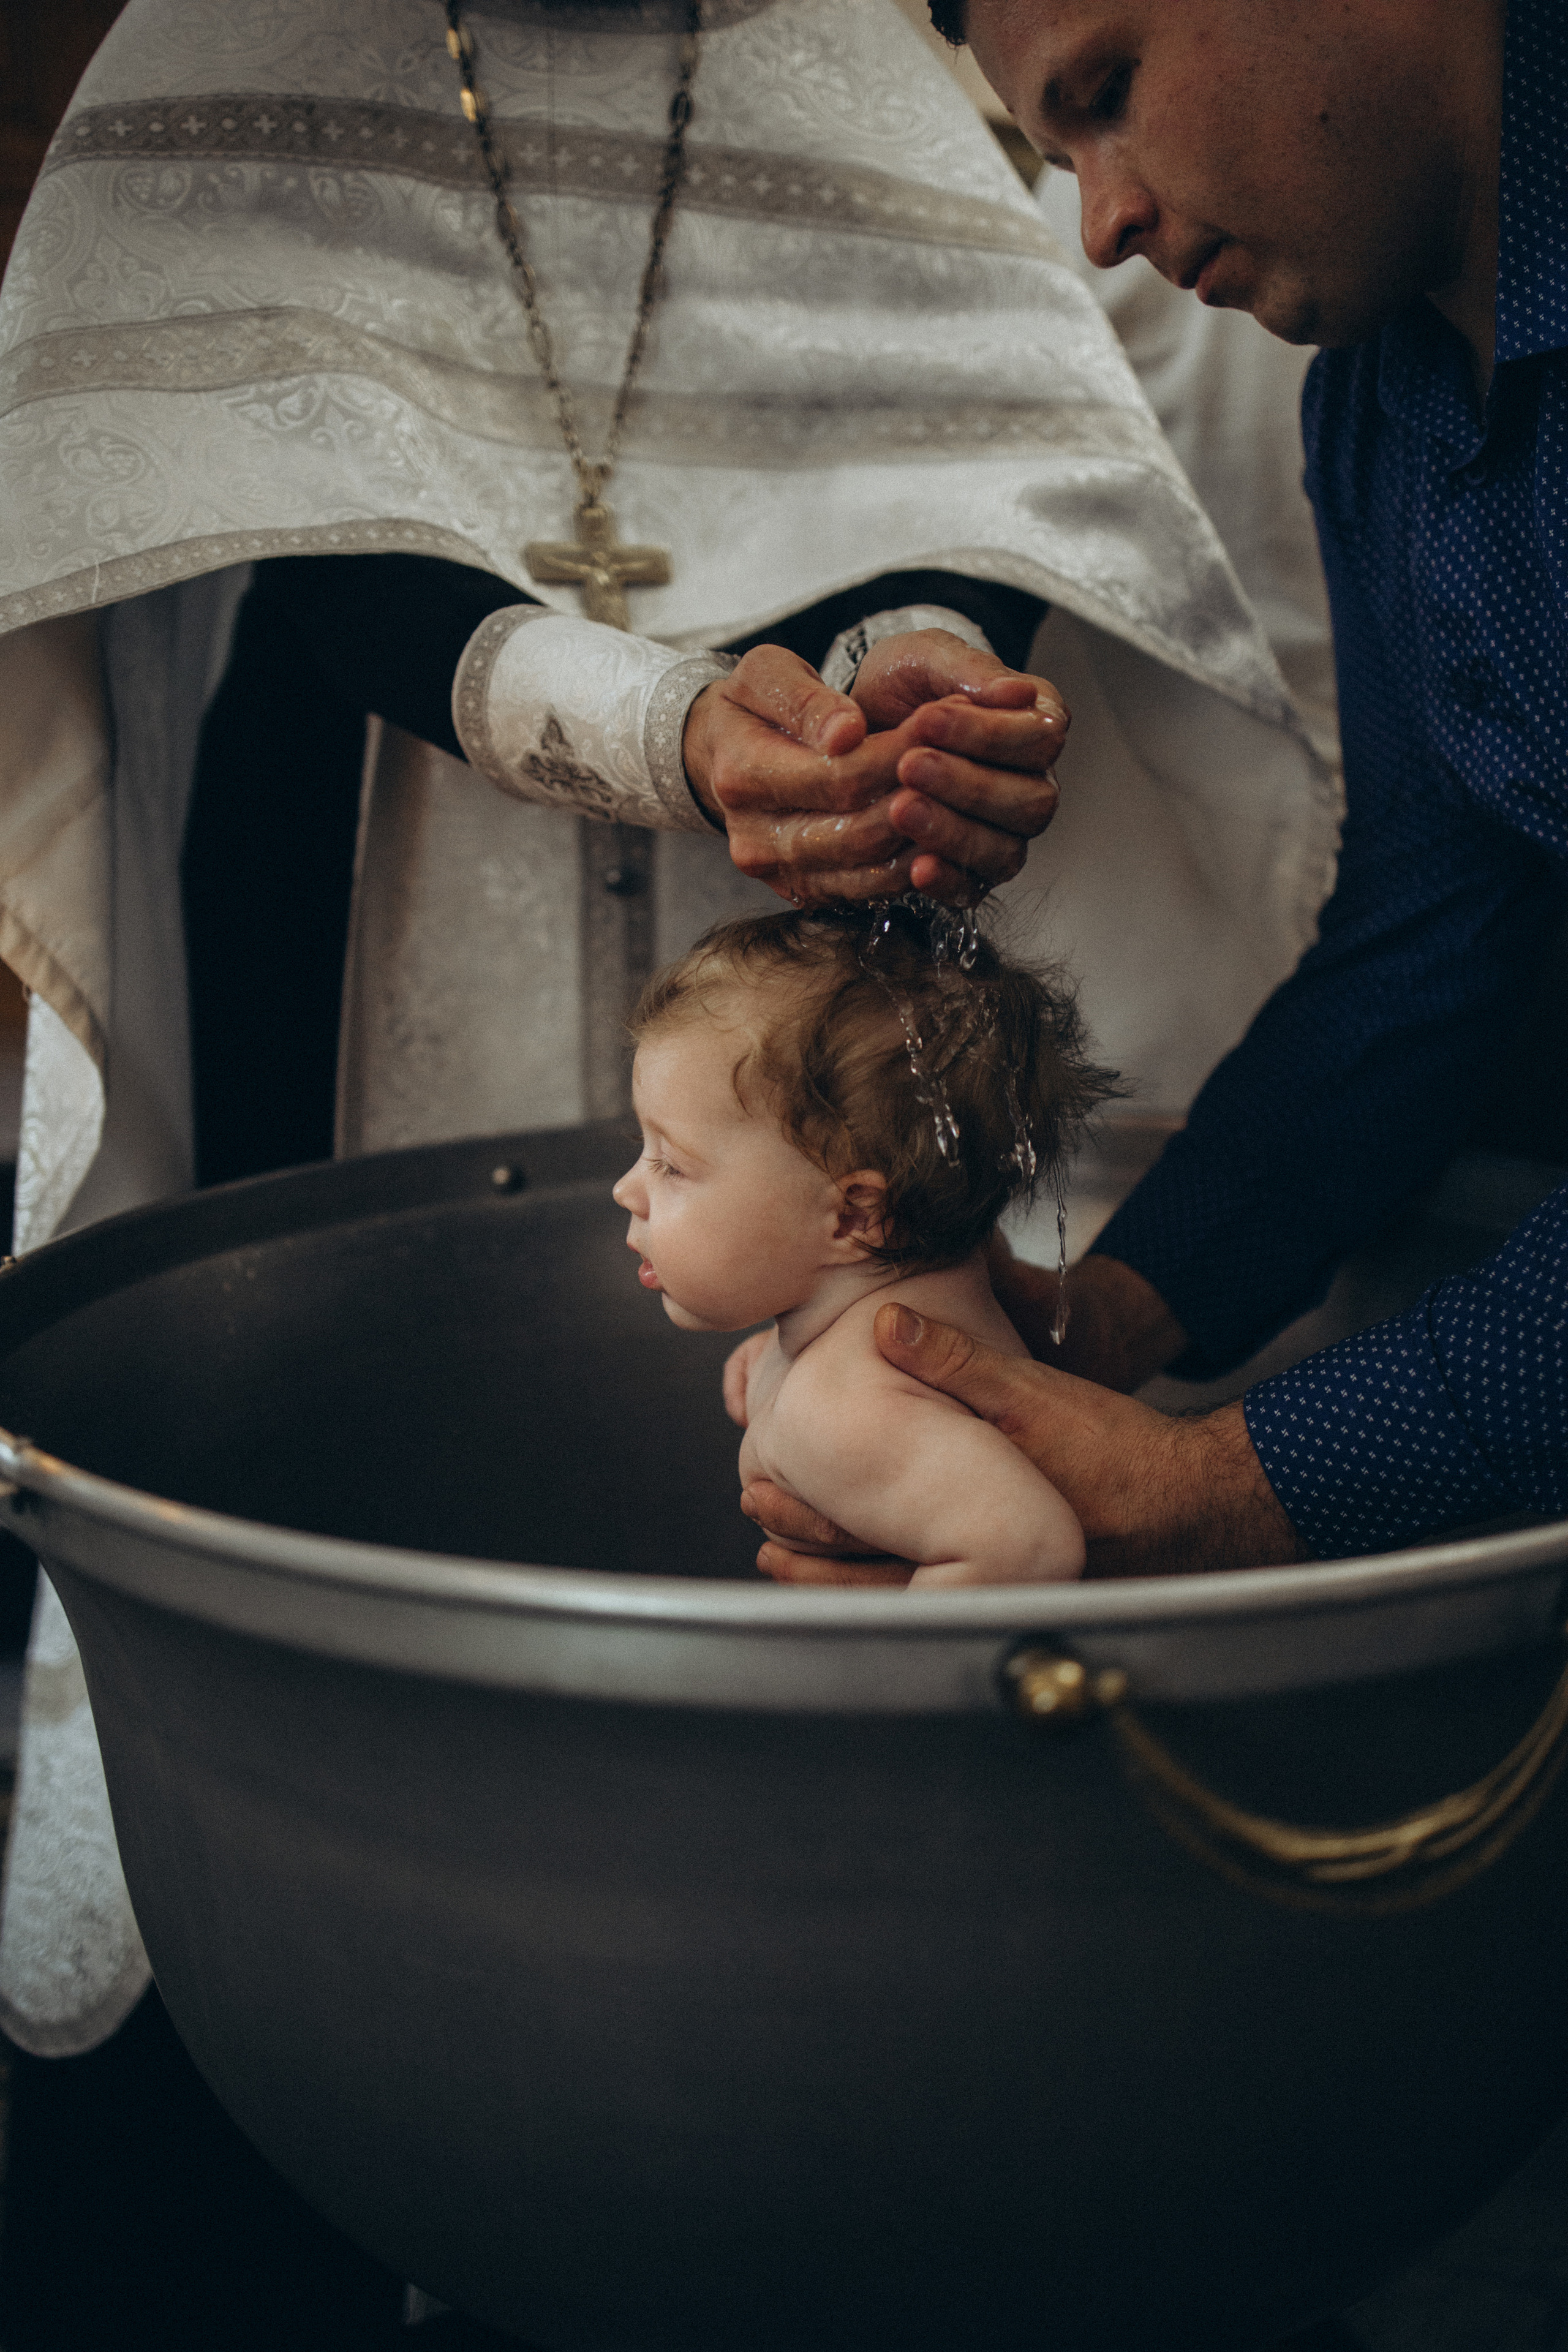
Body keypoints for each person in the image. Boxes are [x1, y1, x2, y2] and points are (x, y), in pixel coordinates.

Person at [0, 0, 1332, 2337]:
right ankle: (451, 2052)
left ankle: (781, 2049)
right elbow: (253, 487)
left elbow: (969, 461)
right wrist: (637, 716)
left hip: (800, 951)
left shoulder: (834, 41)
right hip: (388, 839)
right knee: (391, 1480)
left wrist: (924, 674)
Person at [750, 0, 1568, 1587]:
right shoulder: (1381, 399)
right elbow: (1432, 937)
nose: (1107, 222)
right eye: (1060, 154)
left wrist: (1234, 1482)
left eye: (1111, 94)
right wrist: (1097, 1325)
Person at [616, 905, 1110, 1583]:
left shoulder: (846, 1410)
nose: (626, 1189)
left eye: (670, 1165)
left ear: (853, 1217)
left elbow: (1027, 1550)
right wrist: (777, 1352)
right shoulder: (903, 1299)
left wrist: (887, 1680)